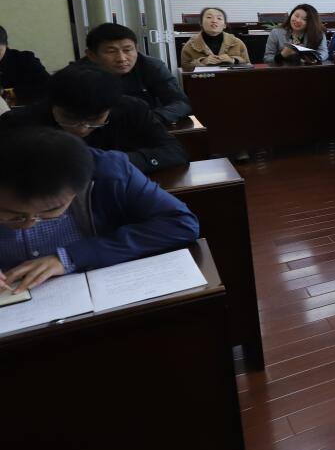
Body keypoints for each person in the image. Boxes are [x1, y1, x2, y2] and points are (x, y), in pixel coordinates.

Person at [0, 128, 201, 293]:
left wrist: (71, 257)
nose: (28, 224)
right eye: (13, 215)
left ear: (78, 189)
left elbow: (181, 223)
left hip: (90, 288)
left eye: (49, 212)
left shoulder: (110, 172)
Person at [1, 64, 187, 174]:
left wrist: (120, 161)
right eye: (69, 118)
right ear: (53, 104)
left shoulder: (132, 109)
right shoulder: (19, 123)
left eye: (95, 120)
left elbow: (174, 152)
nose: (82, 129)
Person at [83, 23, 191, 124]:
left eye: (127, 50)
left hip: (146, 125)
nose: (122, 58)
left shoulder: (151, 67)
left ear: (136, 48)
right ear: (91, 55)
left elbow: (181, 103)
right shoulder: (79, 74)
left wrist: (149, 119)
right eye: (111, 51)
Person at [179, 6, 250, 70]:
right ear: (201, 23)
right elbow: (184, 68)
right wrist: (202, 62)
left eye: (219, 18)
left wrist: (233, 60)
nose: (214, 21)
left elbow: (248, 65)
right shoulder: (191, 44)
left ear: (224, 25)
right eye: (209, 17)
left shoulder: (237, 43)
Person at [0, 24, 50, 106]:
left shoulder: (25, 59)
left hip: (26, 109)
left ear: (6, 44)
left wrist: (6, 96)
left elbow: (47, 87)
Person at [263, 3, 329, 64]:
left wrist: (314, 58)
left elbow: (324, 52)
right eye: (296, 16)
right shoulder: (276, 33)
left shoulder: (318, 33)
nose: (298, 20)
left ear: (311, 23)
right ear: (291, 15)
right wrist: (282, 55)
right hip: (283, 70)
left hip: (309, 70)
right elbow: (267, 58)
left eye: (305, 19)